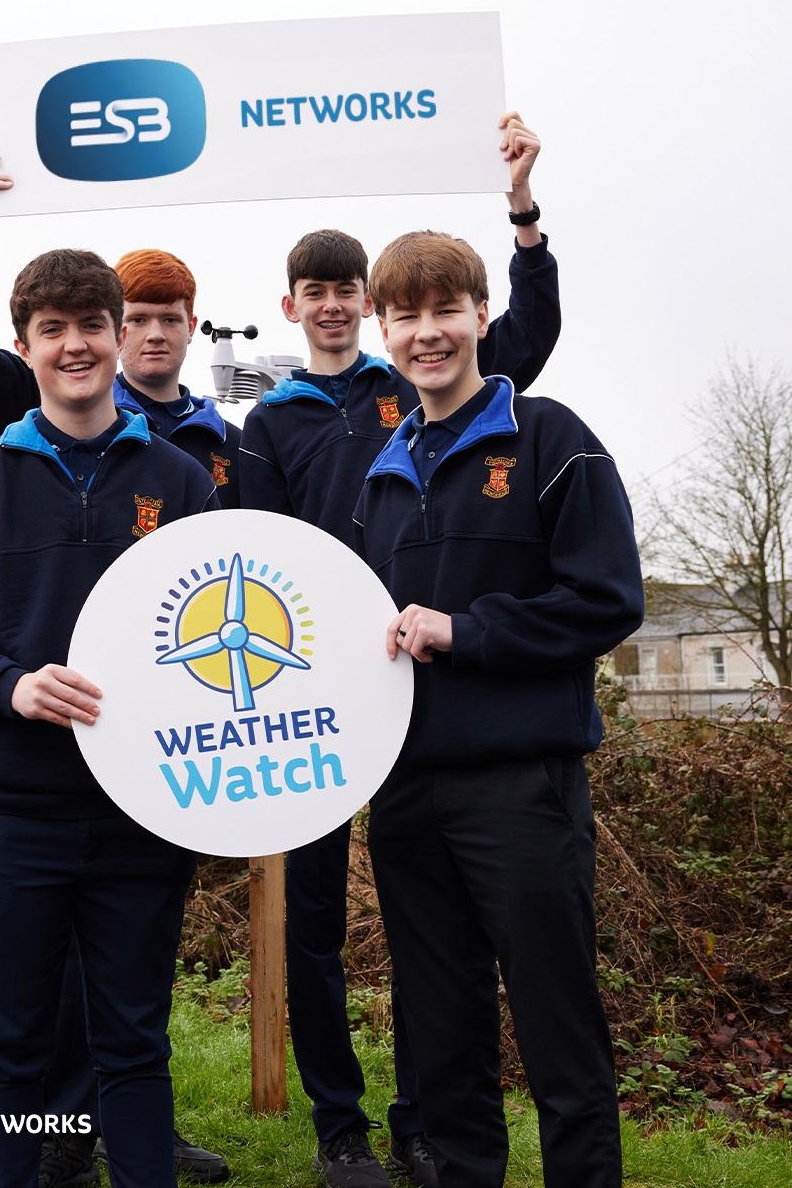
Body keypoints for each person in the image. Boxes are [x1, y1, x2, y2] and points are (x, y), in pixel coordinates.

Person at [238, 114, 560, 1188]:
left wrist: (522, 218)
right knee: (318, 920)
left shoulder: (409, 387)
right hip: (325, 694)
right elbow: (265, 554)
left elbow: (522, 339)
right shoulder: (267, 424)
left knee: (431, 944)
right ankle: (343, 1125)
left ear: (366, 308)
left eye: (347, 289)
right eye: (316, 290)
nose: (333, 304)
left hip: (430, 693)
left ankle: (424, 1118)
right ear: (296, 306)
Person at [0, 153, 234, 1187]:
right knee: (9, 1047)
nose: (77, 343)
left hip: (143, 810)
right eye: (52, 329)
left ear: (115, 332)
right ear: (25, 348)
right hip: (12, 814)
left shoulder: (181, 478)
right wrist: (11, 685)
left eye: (90, 323)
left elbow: (214, 628)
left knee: (134, 1043)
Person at [353, 229, 645, 1188]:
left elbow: (606, 600)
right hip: (403, 793)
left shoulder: (552, 438)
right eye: (405, 315)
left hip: (519, 786)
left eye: (445, 310)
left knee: (557, 1023)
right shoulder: (380, 476)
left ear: (482, 316)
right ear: (381, 329)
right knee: (440, 1033)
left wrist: (465, 632)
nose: (426, 333)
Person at [0, 148, 241, 506]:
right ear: (121, 329)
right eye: (139, 318)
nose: (156, 334)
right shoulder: (49, 401)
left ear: (192, 326)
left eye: (170, 319)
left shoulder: (239, 447)